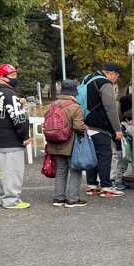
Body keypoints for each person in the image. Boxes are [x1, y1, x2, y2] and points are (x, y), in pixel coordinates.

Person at [0, 63, 31, 210]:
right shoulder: (9, 94)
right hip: (10, 138)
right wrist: (24, 134)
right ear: (2, 77)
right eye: (12, 76)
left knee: (0, 170)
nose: (15, 78)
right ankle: (11, 200)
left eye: (15, 75)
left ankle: (2, 197)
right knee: (12, 170)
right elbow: (17, 117)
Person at [83, 62, 125, 198]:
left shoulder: (88, 79)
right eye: (117, 76)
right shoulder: (105, 83)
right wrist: (117, 129)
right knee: (104, 157)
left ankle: (92, 186)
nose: (116, 79)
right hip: (100, 126)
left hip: (86, 125)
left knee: (91, 157)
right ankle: (106, 187)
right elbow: (111, 108)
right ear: (112, 73)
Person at [45, 80, 89, 208]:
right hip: (70, 143)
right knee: (75, 170)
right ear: (74, 93)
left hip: (54, 142)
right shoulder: (75, 107)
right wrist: (85, 128)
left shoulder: (52, 105)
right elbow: (78, 126)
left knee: (61, 170)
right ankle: (73, 199)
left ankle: (59, 198)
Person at [112, 111, 134, 191]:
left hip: (124, 149)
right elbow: (125, 136)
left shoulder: (125, 126)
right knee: (122, 166)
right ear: (127, 119)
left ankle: (119, 180)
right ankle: (117, 182)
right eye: (133, 120)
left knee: (123, 165)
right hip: (122, 149)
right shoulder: (122, 127)